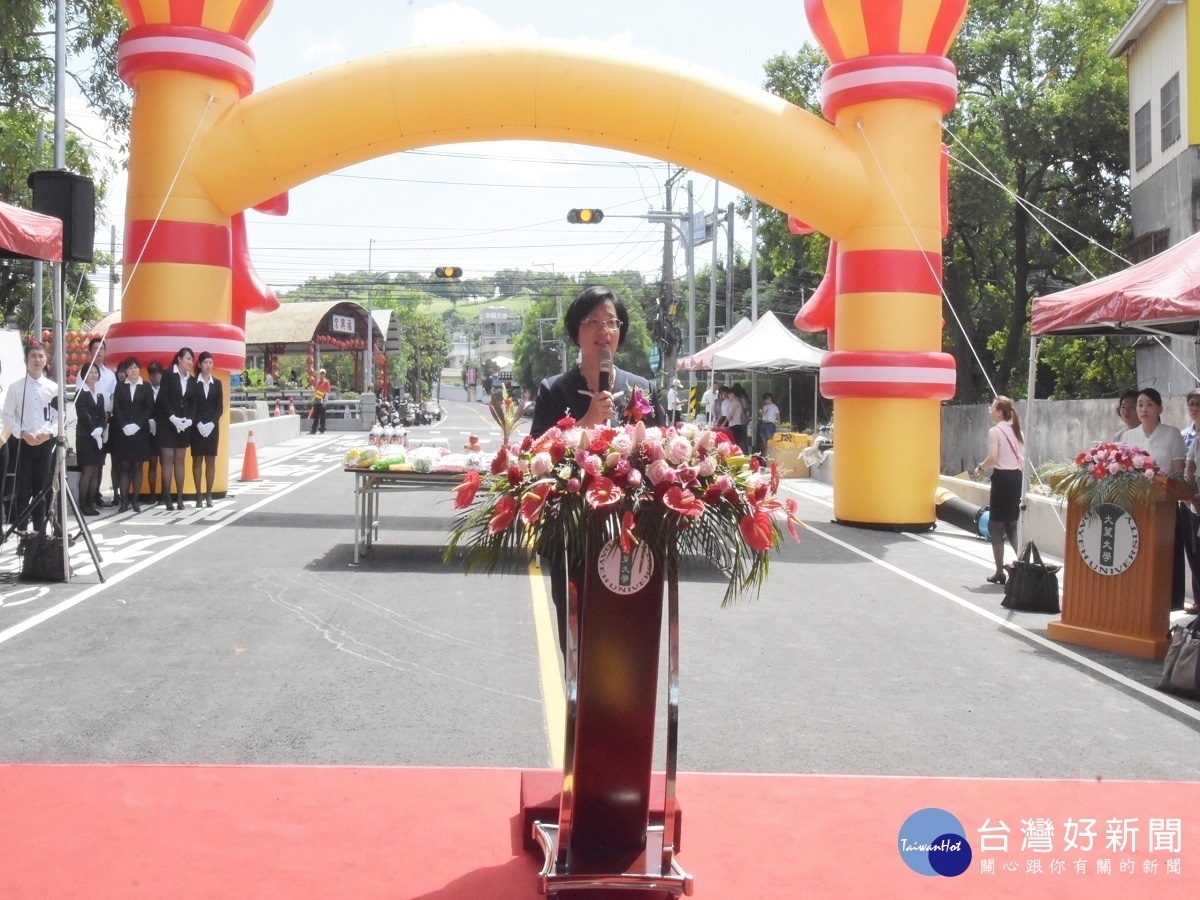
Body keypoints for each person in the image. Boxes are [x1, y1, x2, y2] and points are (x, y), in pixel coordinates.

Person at [530, 285, 658, 651]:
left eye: (612, 322)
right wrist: (584, 422)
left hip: (632, 530)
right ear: (576, 331)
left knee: (627, 637)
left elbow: (656, 448)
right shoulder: (554, 390)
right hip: (573, 533)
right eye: (593, 322)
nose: (604, 330)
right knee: (578, 635)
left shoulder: (641, 388)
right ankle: (576, 705)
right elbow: (537, 453)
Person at [2, 341, 58, 535]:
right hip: (22, 443)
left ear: (46, 359)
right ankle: (23, 532)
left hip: (45, 443)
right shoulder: (16, 388)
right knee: (23, 490)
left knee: (42, 490)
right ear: (26, 360)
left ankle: (40, 532)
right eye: (33, 356)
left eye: (40, 356)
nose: (37, 360)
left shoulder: (53, 388)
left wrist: (49, 433)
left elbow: (60, 418)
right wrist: (22, 433)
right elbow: (8, 416)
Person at [975, 395, 1025, 586]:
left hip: (1002, 479)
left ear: (999, 412)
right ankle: (1022, 565)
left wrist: (980, 467)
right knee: (1012, 524)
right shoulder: (1018, 431)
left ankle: (999, 572)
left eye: (992, 407)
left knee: (996, 526)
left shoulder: (995, 431)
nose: (990, 410)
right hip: (1016, 479)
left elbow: (993, 458)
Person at [111, 357, 155, 513]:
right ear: (126, 371)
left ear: (139, 369)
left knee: (137, 466)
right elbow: (117, 408)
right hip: (123, 433)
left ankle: (135, 501)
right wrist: (124, 425)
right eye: (130, 368)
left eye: (136, 367)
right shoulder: (120, 387)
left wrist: (137, 425)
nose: (133, 370)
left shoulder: (146, 387)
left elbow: (149, 409)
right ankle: (124, 501)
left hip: (140, 432)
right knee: (124, 466)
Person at [157, 347, 195, 510]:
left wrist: (189, 420)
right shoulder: (168, 374)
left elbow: (193, 402)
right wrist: (172, 417)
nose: (190, 362)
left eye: (191, 360)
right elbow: (163, 398)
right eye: (187, 358)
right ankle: (167, 497)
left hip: (183, 423)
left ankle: (179, 497)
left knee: (180, 460)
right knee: (167, 459)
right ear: (179, 359)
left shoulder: (191, 380)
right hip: (167, 423)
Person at [1117, 387, 1185, 475]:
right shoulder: (1128, 436)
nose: (1144, 409)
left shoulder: (1172, 434)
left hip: (1165, 487)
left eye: (1149, 405)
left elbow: (1178, 473)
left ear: (1160, 408)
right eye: (1140, 405)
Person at [190, 351, 223, 508]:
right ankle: (198, 494)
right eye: (205, 362)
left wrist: (211, 423)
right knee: (197, 459)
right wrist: (198, 423)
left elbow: (219, 408)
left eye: (210, 362)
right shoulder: (193, 383)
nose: (208, 365)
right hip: (197, 427)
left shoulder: (217, 384)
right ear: (199, 364)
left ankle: (209, 494)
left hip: (212, 428)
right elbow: (191, 406)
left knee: (210, 460)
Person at [86, 337, 117, 508]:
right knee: (89, 464)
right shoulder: (83, 373)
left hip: (105, 421)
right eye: (95, 349)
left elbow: (112, 398)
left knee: (100, 462)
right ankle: (87, 499)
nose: (99, 352)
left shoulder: (110, 375)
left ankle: (97, 494)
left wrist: (106, 416)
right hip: (88, 424)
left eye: (101, 349)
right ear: (90, 352)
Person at [74, 362, 106, 516]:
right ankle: (83, 503)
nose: (94, 375)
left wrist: (100, 428)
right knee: (87, 471)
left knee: (96, 470)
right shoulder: (81, 392)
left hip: (98, 436)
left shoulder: (98, 393)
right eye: (90, 372)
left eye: (96, 372)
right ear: (84, 375)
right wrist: (93, 429)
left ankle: (91, 501)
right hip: (85, 436)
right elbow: (83, 414)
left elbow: (102, 414)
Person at [145, 360, 164, 505]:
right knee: (152, 462)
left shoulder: (166, 388)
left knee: (165, 462)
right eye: (150, 374)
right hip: (150, 429)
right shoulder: (146, 389)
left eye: (155, 374)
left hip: (164, 429)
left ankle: (165, 492)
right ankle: (152, 493)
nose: (152, 377)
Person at [311, 368, 331, 434]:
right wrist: (314, 399)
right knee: (315, 416)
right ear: (320, 374)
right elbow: (316, 391)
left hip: (322, 399)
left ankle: (322, 429)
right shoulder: (318, 382)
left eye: (323, 374)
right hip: (317, 400)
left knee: (322, 416)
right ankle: (313, 430)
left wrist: (325, 401)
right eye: (321, 374)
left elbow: (327, 392)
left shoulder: (326, 382)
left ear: (324, 375)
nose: (322, 375)